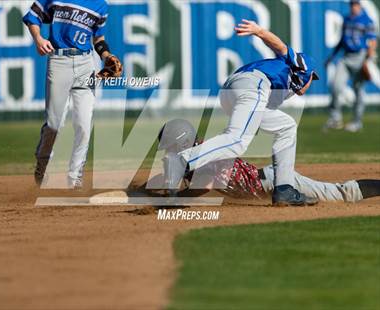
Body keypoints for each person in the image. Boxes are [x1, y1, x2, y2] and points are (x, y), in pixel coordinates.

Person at [163, 20, 320, 207]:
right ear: (307, 73)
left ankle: (284, 189)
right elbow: (281, 47)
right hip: (253, 84)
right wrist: (259, 31)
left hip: (234, 90)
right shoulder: (301, 65)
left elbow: (258, 116)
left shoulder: (283, 90)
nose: (311, 83)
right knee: (237, 141)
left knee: (286, 126)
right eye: (312, 78)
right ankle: (182, 160)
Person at [147, 119, 380, 205]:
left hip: (273, 182)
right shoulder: (195, 154)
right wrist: (146, 189)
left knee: (341, 193)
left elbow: (204, 187)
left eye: (169, 146)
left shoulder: (205, 156)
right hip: (265, 182)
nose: (167, 152)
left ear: (182, 143)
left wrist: (170, 203)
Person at [22, 0, 123, 189]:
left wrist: (106, 56)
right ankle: (43, 163)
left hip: (87, 64)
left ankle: (75, 177)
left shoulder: (100, 5)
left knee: (84, 125)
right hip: (59, 61)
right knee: (54, 125)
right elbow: (32, 17)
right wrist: (38, 39)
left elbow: (98, 40)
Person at [324, 0, 378, 132]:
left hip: (360, 57)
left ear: (359, 6)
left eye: (355, 4)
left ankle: (357, 122)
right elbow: (342, 40)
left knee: (358, 90)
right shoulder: (346, 19)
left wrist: (368, 59)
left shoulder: (367, 20)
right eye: (352, 4)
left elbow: (372, 40)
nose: (353, 6)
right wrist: (331, 57)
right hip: (346, 57)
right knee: (335, 86)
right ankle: (335, 118)